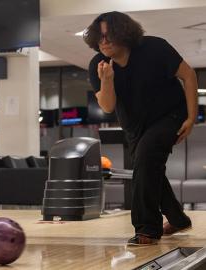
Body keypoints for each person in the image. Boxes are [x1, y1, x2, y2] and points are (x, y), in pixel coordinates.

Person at [84, 11, 198, 246]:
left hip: (170, 115)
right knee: (148, 168)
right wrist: (106, 80)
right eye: (99, 36)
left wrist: (191, 117)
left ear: (124, 33)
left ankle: (147, 230)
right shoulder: (98, 65)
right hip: (135, 127)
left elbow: (189, 75)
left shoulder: (155, 48)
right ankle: (177, 219)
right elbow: (107, 106)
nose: (103, 41)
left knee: (146, 162)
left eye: (109, 35)